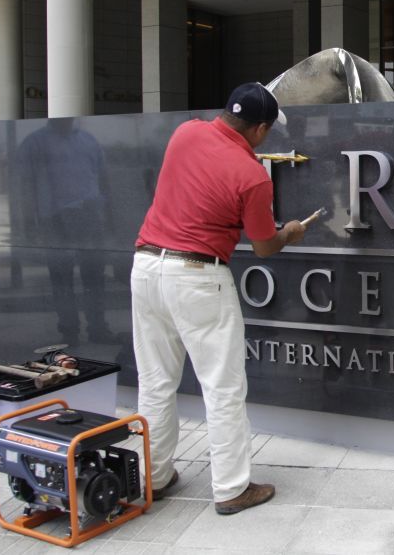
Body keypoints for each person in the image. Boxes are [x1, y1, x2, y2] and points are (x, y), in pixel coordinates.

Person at [131, 82, 306, 516]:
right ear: (260, 129)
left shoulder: (185, 133)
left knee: (155, 381)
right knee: (223, 387)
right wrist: (290, 233)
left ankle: (153, 478)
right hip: (197, 277)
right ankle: (231, 488)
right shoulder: (251, 176)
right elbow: (264, 246)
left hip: (147, 267)